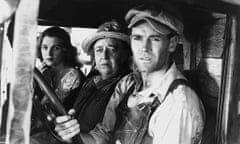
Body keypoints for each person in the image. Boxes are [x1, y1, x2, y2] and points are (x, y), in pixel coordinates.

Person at [54, 4, 205, 144]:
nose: (144, 48)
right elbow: (102, 136)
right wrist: (71, 134)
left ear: (171, 44)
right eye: (137, 38)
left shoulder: (178, 102)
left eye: (155, 38)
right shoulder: (128, 84)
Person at [72, 20, 132, 133]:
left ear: (125, 54)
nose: (104, 56)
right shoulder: (90, 81)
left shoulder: (127, 86)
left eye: (112, 50)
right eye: (99, 50)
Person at [36, 26, 85, 110]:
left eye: (56, 48)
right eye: (45, 47)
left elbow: (49, 107)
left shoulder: (73, 75)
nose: (49, 53)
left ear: (65, 50)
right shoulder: (44, 72)